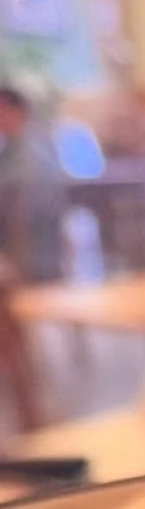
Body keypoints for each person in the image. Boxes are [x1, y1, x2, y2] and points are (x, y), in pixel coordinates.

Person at [0, 86, 61, 432]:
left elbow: (24, 214)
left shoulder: (32, 152)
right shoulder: (13, 150)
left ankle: (29, 404)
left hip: (30, 256)